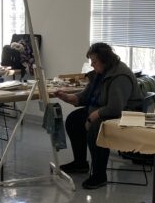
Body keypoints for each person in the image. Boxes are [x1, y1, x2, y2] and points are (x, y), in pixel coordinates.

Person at [55, 42, 144, 190]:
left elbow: (115, 108)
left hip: (126, 114)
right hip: (104, 110)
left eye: (94, 61)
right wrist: (68, 98)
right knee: (73, 120)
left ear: (105, 60)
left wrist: (92, 117)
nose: (92, 65)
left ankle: (99, 175)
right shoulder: (100, 73)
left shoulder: (120, 75)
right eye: (91, 61)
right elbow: (85, 96)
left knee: (96, 127)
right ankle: (80, 163)